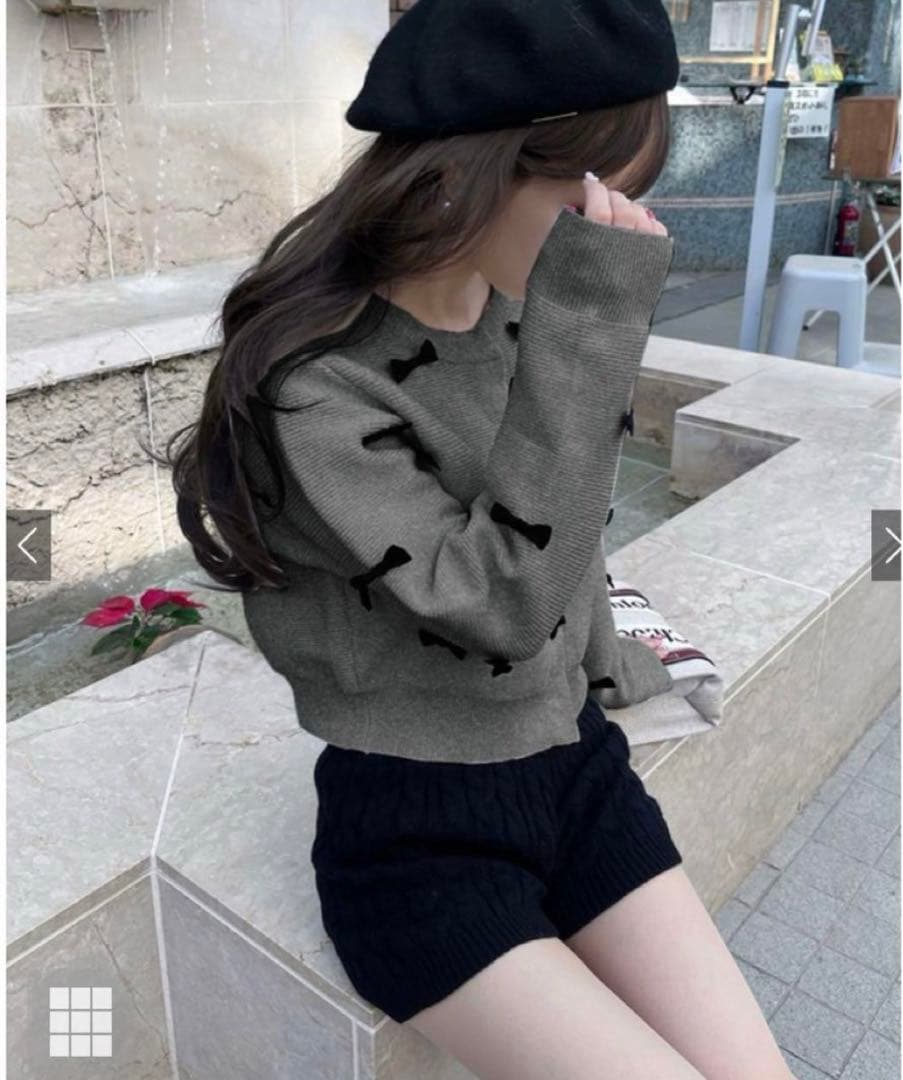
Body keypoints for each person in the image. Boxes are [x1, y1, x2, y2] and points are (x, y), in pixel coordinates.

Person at [163, 2, 797, 1077]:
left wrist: (619, 655)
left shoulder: (515, 313)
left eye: (626, 198)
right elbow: (502, 602)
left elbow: (573, 531)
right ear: (472, 170)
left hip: (574, 772)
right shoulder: (316, 384)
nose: (614, 229)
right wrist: (591, 324)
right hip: (419, 835)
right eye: (589, 200)